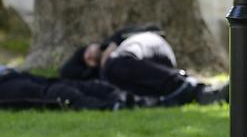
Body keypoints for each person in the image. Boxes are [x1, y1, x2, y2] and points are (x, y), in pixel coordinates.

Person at [60, 25, 226, 106]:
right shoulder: (104, 72)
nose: (88, 56)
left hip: (151, 49)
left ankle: (196, 88)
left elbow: (155, 29)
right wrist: (98, 65)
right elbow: (65, 73)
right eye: (87, 60)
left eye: (87, 52)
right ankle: (186, 92)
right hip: (143, 72)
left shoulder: (117, 39)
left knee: (115, 65)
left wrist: (111, 45)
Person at [0, 64, 155, 110]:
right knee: (55, 93)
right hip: (5, 87)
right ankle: (113, 107)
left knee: (77, 85)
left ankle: (140, 100)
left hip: (13, 74)